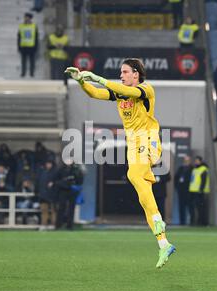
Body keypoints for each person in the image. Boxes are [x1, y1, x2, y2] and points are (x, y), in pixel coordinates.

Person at [65, 59, 176, 268]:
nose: (121, 75)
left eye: (125, 72)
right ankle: (163, 241)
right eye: (120, 72)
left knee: (134, 176)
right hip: (133, 143)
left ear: (136, 74)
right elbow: (96, 94)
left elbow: (124, 91)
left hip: (148, 139)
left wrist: (98, 78)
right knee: (138, 182)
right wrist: (80, 80)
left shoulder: (145, 89)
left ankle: (157, 216)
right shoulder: (119, 91)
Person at [54, 158, 83, 230]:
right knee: (61, 208)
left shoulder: (76, 169)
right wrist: (64, 184)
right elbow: (56, 180)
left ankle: (70, 225)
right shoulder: (61, 169)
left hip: (72, 191)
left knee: (71, 208)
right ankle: (58, 225)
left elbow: (80, 180)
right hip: (63, 190)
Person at [35, 159, 58, 226]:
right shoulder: (42, 172)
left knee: (54, 211)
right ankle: (44, 224)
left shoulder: (55, 172)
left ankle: (54, 224)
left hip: (53, 195)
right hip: (43, 195)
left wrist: (54, 183)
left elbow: (58, 182)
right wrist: (37, 192)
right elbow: (38, 183)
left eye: (50, 163)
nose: (48, 165)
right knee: (44, 211)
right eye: (47, 163)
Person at [188, 156, 210, 226]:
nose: (196, 162)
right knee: (195, 207)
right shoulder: (195, 169)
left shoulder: (203, 169)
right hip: (193, 191)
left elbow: (203, 181)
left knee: (201, 208)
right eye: (195, 161)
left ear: (201, 161)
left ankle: (202, 222)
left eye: (197, 161)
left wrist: (201, 190)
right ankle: (196, 221)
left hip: (200, 192)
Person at [18, 13, 39, 77]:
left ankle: (31, 73)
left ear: (30, 18)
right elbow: (19, 37)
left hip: (31, 46)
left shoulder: (34, 26)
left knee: (32, 61)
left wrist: (36, 46)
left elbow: (36, 37)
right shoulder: (21, 26)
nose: (26, 19)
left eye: (27, 17)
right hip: (23, 45)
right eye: (25, 17)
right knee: (23, 61)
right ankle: (23, 73)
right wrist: (19, 46)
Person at [174, 155, 193, 225]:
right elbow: (176, 178)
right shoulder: (181, 168)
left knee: (190, 207)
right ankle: (182, 221)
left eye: (187, 160)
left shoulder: (192, 169)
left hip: (189, 190)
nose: (186, 162)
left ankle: (192, 222)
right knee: (181, 207)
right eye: (185, 160)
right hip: (181, 191)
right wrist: (177, 187)